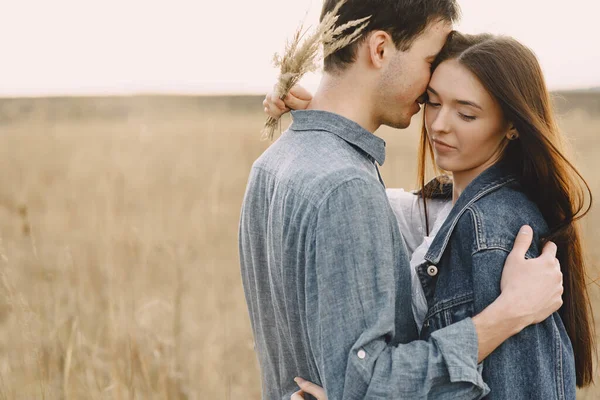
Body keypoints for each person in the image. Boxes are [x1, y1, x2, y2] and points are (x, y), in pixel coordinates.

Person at [241, 1, 564, 398]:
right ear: (380, 50)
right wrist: (506, 315)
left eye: (466, 112)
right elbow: (363, 383)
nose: (438, 121)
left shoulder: (272, 166)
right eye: (429, 62)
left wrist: (315, 119)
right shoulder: (346, 188)